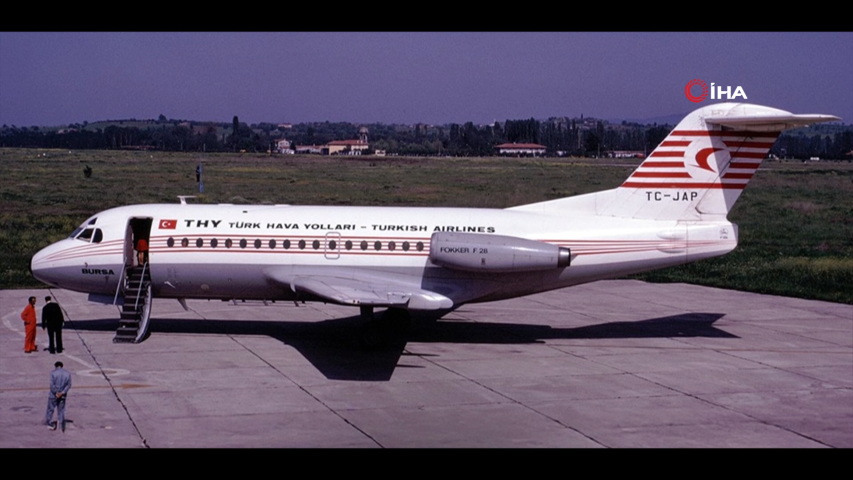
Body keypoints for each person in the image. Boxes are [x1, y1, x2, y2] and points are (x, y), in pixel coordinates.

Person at [45, 361, 71, 432]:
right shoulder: (67, 373)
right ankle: (61, 424)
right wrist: (62, 393)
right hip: (62, 395)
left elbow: (52, 385)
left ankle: (49, 423)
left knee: (50, 409)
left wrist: (56, 392)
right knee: (61, 410)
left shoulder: (53, 373)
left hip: (53, 395)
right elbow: (68, 385)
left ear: (56, 366)